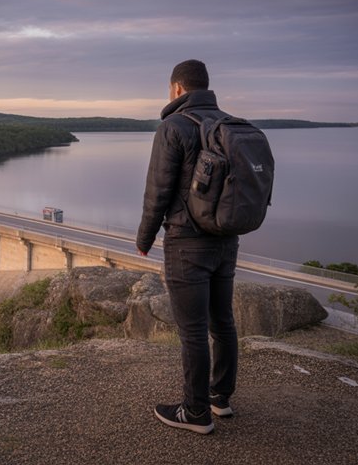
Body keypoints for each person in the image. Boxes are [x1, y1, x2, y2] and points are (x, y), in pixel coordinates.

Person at [136, 59, 239, 435]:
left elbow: (158, 191)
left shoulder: (173, 126)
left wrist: (145, 239)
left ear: (177, 89)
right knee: (222, 321)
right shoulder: (228, 124)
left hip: (187, 242)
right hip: (226, 239)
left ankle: (195, 413)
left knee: (193, 330)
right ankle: (220, 398)